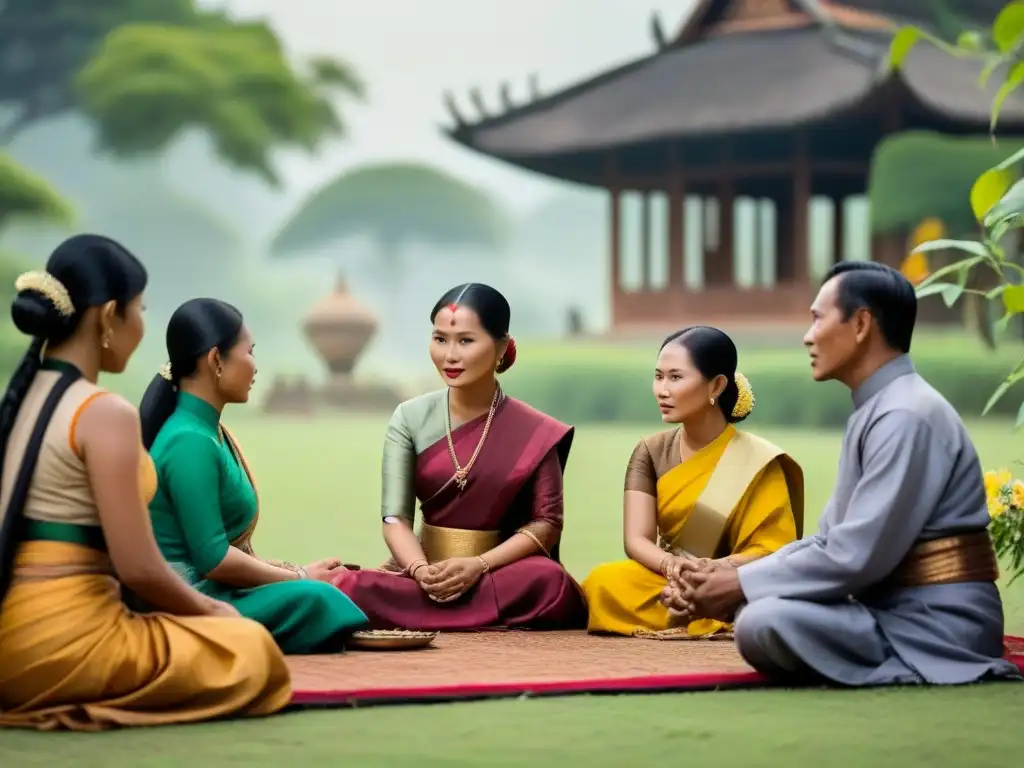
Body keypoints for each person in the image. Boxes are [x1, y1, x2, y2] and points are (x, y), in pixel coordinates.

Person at [664, 261, 1022, 685]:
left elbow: (854, 556)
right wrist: (727, 574)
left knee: (761, 620)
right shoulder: (878, 409)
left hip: (935, 620)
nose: (807, 336)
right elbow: (830, 540)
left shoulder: (906, 415)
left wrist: (740, 583)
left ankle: (912, 665)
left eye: (818, 318)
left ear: (861, 324)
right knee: (758, 613)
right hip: (884, 605)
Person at [0, 236, 291, 731]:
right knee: (253, 649)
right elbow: (139, 569)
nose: (142, 326)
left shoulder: (20, 399)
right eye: (140, 310)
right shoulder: (102, 412)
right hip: (64, 641)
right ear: (109, 316)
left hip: (10, 636)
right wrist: (213, 612)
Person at [331, 283, 587, 630]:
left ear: (501, 347)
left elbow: (547, 524)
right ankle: (466, 612)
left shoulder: (535, 430)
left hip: (496, 573)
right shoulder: (409, 417)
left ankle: (427, 613)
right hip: (423, 572)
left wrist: (478, 566)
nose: (449, 355)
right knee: (346, 586)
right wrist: (421, 571)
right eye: (440, 339)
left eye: (465, 341)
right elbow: (394, 519)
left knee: (548, 581)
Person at [138, 298, 368, 653]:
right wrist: (300, 577)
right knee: (321, 599)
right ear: (216, 359)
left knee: (335, 587)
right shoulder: (189, 441)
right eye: (250, 352)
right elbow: (213, 560)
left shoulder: (206, 430)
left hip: (215, 591)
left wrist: (286, 569)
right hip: (189, 602)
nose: (255, 367)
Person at [582, 326, 804, 638]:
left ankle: (709, 604)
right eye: (658, 376)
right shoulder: (651, 451)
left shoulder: (757, 460)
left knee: (766, 593)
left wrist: (711, 573)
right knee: (603, 582)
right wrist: (672, 567)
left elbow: (772, 550)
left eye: (675, 377)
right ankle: (701, 608)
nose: (662, 389)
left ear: (716, 385)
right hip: (667, 577)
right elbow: (636, 539)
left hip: (732, 578)